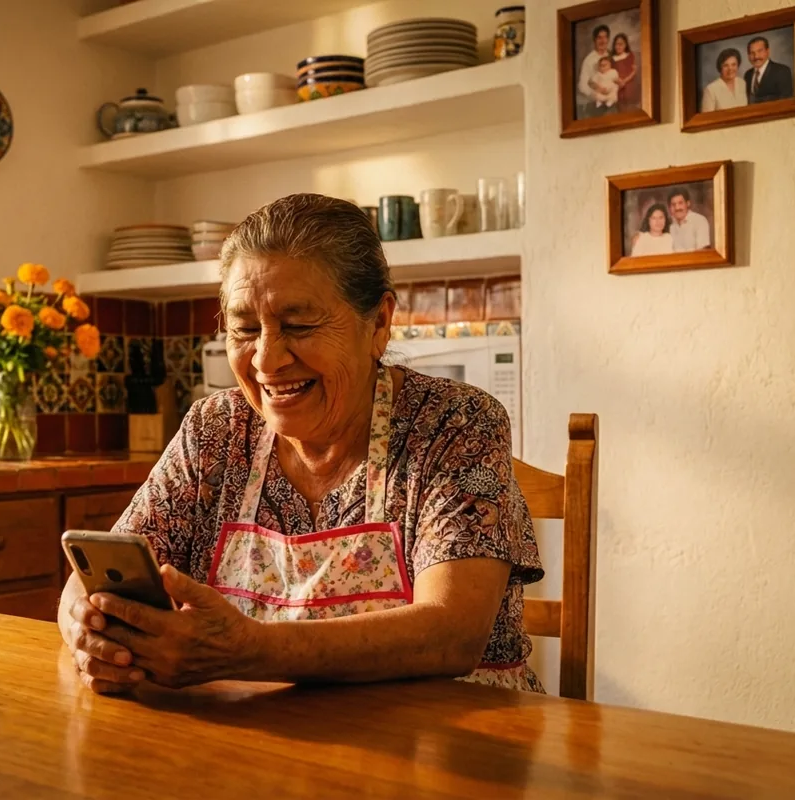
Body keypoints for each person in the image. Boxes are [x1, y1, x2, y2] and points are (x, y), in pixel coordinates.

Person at [59, 193, 544, 695]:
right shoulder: (215, 430)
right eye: (244, 329)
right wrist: (87, 628)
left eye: (300, 326)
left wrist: (248, 650)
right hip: (266, 743)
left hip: (450, 743)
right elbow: (97, 573)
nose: (267, 360)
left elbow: (451, 633)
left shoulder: (456, 424)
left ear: (378, 324)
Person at [744, 36, 794, 103]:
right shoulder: (748, 75)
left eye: (760, 51)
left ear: (767, 51)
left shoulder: (782, 71)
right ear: (748, 56)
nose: (756, 56)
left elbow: (786, 101)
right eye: (752, 53)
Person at [577, 23, 612, 116]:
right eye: (599, 38)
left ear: (608, 39)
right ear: (594, 40)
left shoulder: (611, 55)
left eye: (605, 37)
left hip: (613, 100)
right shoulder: (589, 60)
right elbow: (582, 86)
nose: (602, 41)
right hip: (596, 104)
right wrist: (596, 94)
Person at [700, 47, 748, 111]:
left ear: (738, 65)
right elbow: (706, 119)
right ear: (720, 67)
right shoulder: (711, 90)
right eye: (726, 65)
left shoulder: (742, 83)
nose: (730, 69)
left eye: (733, 64)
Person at [667, 187, 711, 252]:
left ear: (688, 203)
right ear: (670, 208)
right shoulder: (669, 225)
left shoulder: (699, 221)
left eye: (680, 203)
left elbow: (703, 252)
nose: (677, 208)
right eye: (673, 204)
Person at [611, 33, 638, 108]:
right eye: (616, 44)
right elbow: (611, 73)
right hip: (617, 86)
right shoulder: (612, 59)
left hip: (629, 84)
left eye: (621, 44)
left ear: (625, 45)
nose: (619, 46)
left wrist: (624, 81)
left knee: (630, 106)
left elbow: (634, 71)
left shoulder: (629, 55)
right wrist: (619, 81)